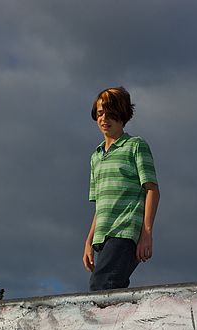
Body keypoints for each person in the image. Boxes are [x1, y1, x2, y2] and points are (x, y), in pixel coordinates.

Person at [83, 86, 160, 291]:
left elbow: (152, 190)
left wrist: (146, 233)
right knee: (107, 289)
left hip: (126, 231)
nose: (104, 118)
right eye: (100, 113)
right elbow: (100, 205)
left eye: (111, 113)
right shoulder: (96, 156)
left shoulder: (135, 146)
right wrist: (89, 241)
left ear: (122, 115)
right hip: (103, 236)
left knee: (102, 286)